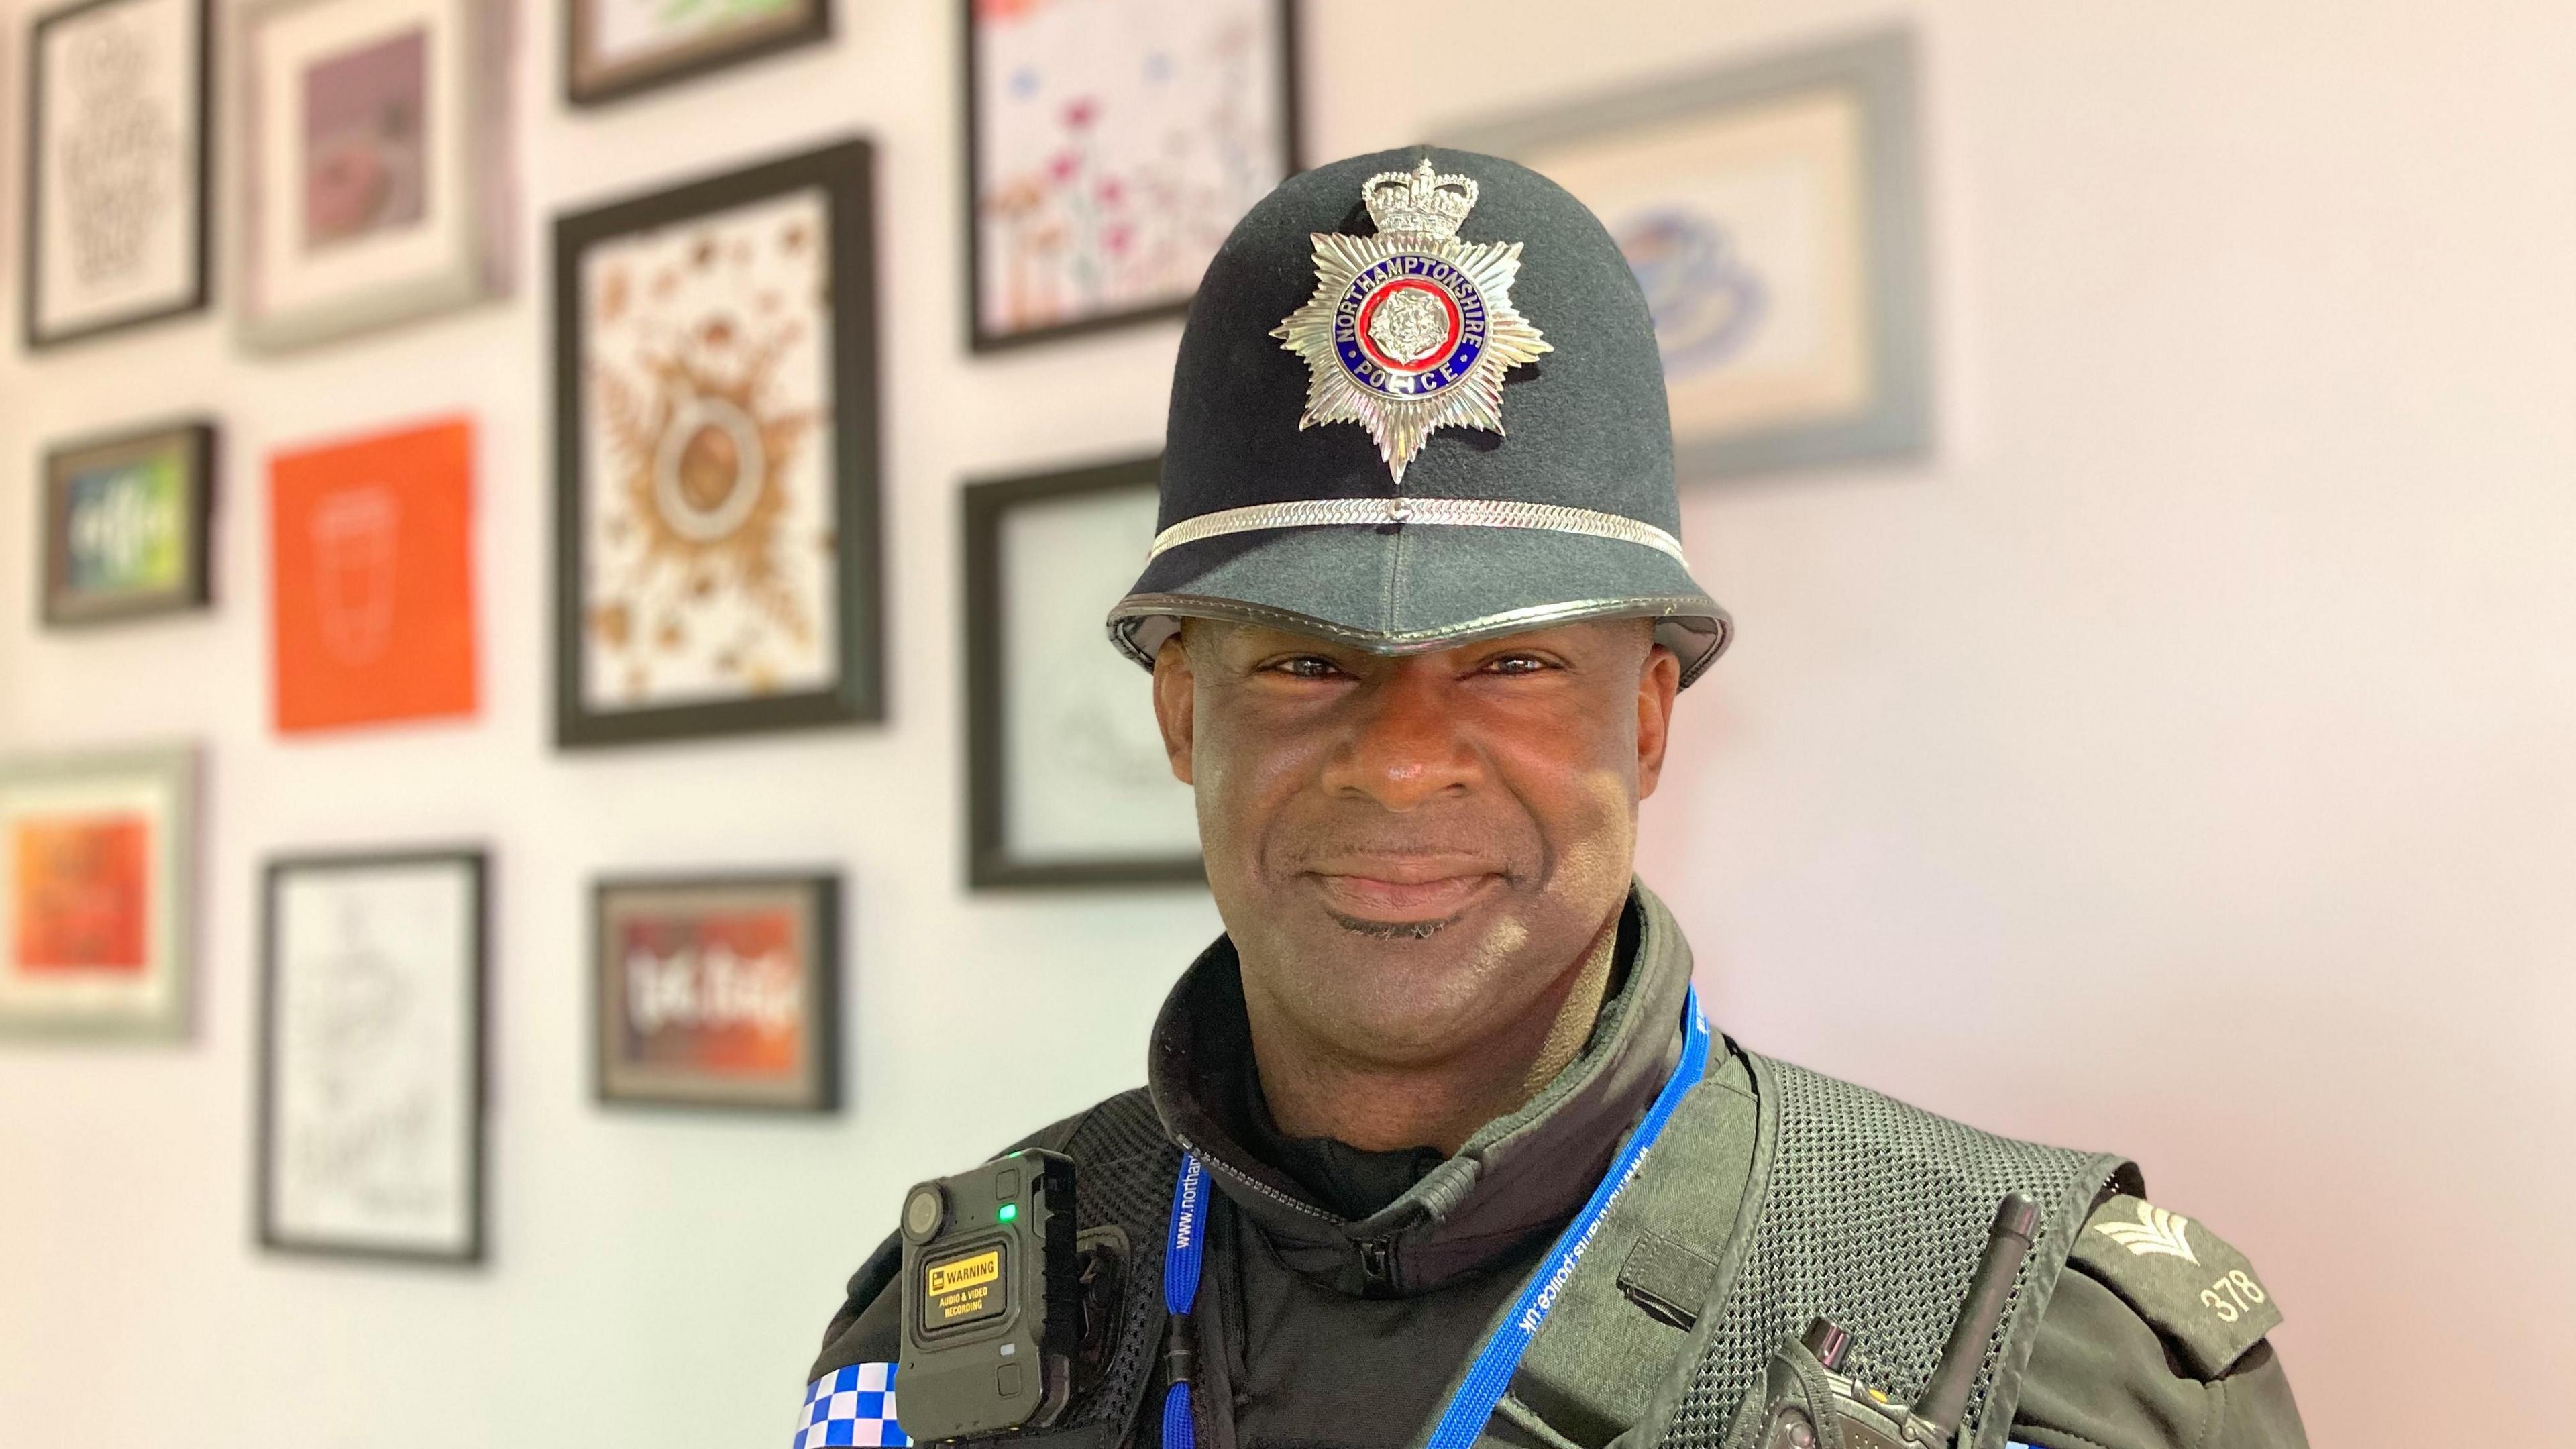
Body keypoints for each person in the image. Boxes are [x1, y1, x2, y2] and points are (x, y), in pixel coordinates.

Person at [795, 148, 2307, 1449]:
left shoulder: (2049, 1365)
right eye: (1310, 666)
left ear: (1648, 716)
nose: (1402, 757)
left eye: (1509, 662)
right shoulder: (939, 1356)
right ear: (1182, 710)